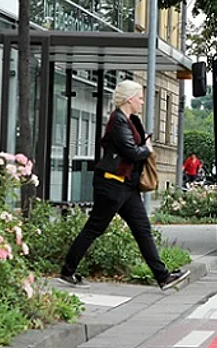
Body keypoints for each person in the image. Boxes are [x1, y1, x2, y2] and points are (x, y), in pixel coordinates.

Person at [58, 80, 189, 290]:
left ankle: (163, 277)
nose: (142, 102)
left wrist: (143, 145)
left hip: (127, 186)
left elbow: (133, 147)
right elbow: (131, 152)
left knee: (143, 229)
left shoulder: (129, 120)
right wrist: (147, 149)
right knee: (94, 228)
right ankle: (67, 271)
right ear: (129, 99)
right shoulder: (118, 121)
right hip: (112, 185)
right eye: (139, 97)